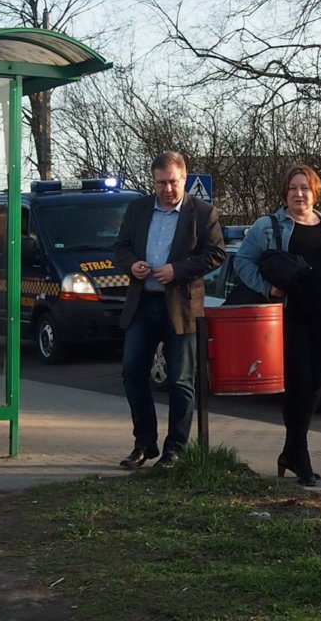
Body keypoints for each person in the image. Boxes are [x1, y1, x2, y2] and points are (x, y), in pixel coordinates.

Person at [235, 164, 321, 486]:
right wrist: (266, 287)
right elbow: (242, 261)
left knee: (313, 387)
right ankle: (301, 457)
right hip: (291, 317)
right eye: (293, 188)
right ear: (285, 193)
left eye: (305, 188)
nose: (299, 194)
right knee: (299, 386)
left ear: (315, 192)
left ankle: (290, 452)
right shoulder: (268, 227)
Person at [114, 151, 225, 469]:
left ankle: (175, 449)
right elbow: (121, 247)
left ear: (184, 178)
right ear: (153, 181)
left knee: (180, 380)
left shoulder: (202, 212)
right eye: (160, 183)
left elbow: (216, 254)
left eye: (173, 182)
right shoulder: (138, 209)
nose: (167, 189)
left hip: (181, 306)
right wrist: (131, 265)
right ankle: (144, 444)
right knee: (133, 371)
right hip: (143, 303)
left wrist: (178, 270)